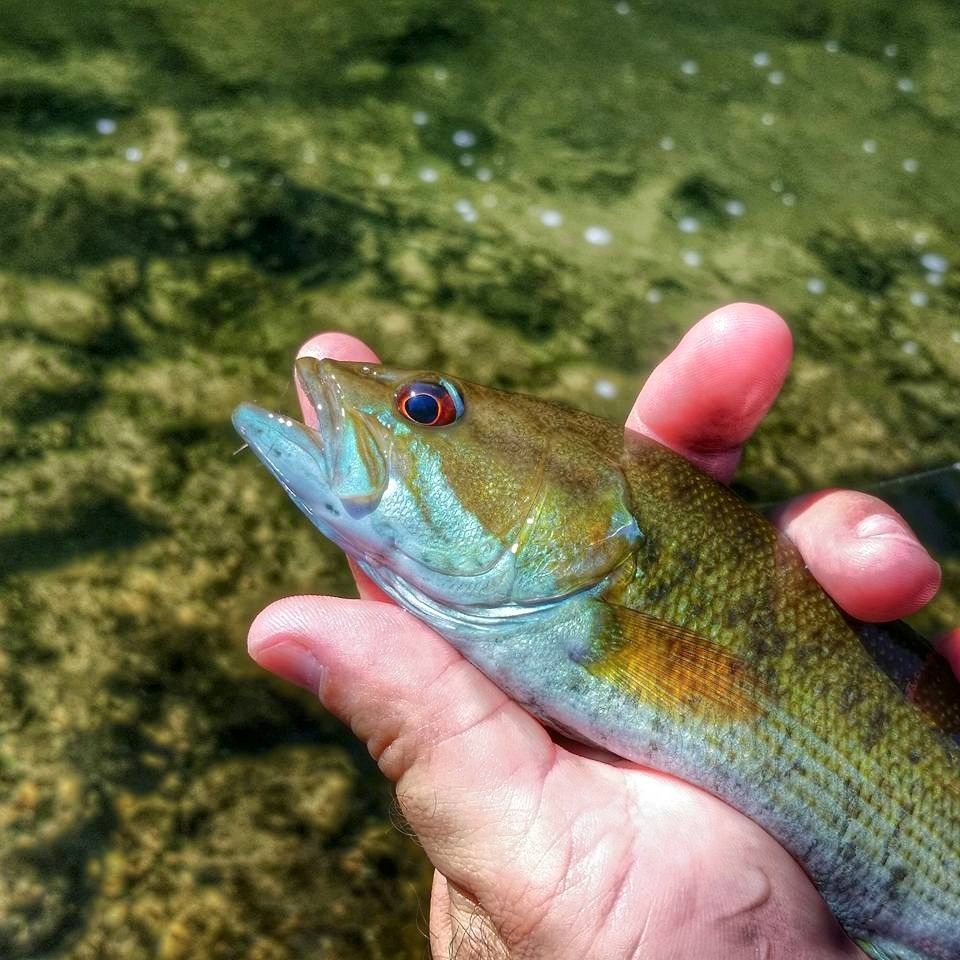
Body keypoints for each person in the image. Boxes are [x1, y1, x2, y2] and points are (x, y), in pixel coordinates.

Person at [245, 303, 958, 959]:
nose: (404, 411)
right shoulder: (542, 621)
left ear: (593, 512)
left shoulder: (587, 604)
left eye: (426, 409)